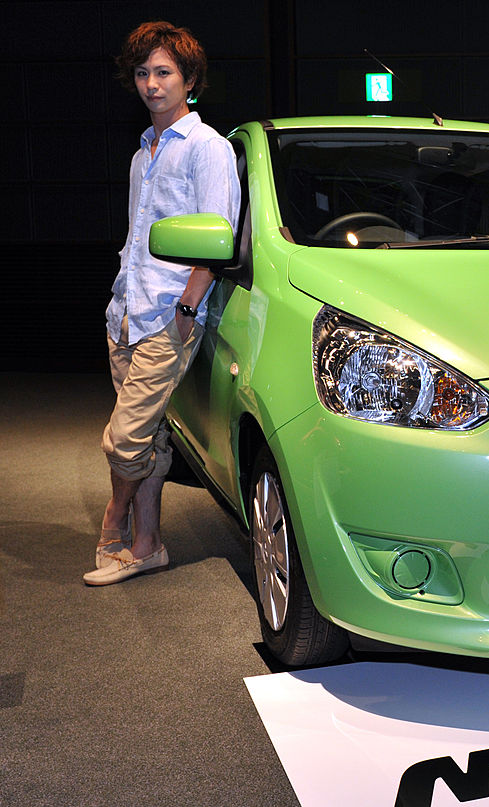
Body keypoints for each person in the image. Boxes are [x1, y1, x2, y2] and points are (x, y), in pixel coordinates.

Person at [84, 21, 240, 586]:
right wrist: (120, 298)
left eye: (164, 72)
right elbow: (138, 235)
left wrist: (188, 308)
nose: (152, 83)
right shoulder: (142, 154)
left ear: (190, 79)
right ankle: (148, 545)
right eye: (144, 72)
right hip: (126, 312)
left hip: (169, 316)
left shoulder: (208, 148)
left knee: (124, 439)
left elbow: (216, 237)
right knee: (151, 436)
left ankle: (114, 519)